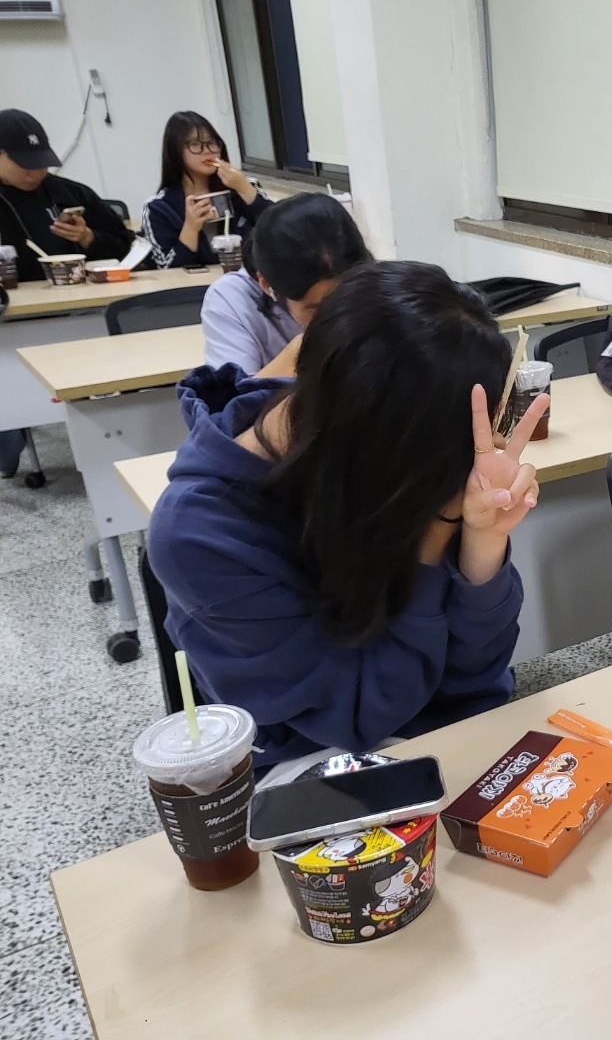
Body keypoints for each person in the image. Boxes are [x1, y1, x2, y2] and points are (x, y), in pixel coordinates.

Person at [147, 261, 550, 779]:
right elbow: (359, 718)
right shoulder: (201, 533)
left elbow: (478, 677)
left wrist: (482, 542)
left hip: (450, 735)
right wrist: (436, 528)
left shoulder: (395, 451)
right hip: (316, 766)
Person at [201, 192, 371, 375]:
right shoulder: (232, 299)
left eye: (346, 301)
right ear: (267, 286)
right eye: (316, 310)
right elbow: (232, 393)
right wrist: (301, 352)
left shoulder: (377, 288)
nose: (336, 317)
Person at [0, 108, 132, 283]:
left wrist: (88, 238)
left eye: (42, 163)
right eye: (26, 165)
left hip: (81, 295)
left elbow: (127, 248)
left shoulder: (71, 194)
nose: (36, 174)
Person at [142, 111, 271, 270]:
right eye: (195, 144)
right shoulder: (159, 208)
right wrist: (191, 227)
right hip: (196, 285)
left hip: (248, 280)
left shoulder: (243, 187)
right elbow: (167, 269)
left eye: (212, 142)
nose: (207, 150)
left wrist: (243, 188)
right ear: (175, 151)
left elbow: (281, 232)